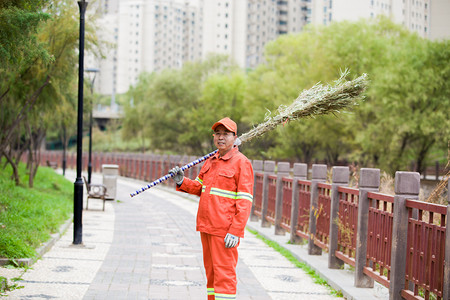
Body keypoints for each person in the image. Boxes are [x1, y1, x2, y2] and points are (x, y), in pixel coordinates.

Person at [169, 117, 254, 300]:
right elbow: (199, 187)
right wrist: (181, 181)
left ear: (235, 137)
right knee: (211, 275)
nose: (220, 137)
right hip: (206, 226)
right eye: (217, 133)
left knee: (225, 274)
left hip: (224, 230)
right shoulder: (211, 161)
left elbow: (245, 200)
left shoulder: (241, 162)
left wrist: (236, 230)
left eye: (225, 134)